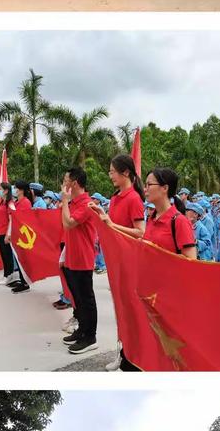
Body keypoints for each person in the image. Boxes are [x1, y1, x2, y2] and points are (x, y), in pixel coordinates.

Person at [89, 154, 146, 371]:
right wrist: (103, 214)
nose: (110, 174)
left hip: (130, 263)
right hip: (117, 263)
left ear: (126, 173)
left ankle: (134, 358)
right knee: (121, 311)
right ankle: (123, 354)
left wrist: (111, 224)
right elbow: (111, 227)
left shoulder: (133, 199)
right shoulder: (115, 198)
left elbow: (140, 233)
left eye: (113, 171)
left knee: (132, 312)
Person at [60, 167, 99, 354]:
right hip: (71, 257)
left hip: (82, 258)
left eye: (65, 180)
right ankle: (82, 330)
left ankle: (90, 336)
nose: (63, 184)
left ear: (74, 183)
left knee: (86, 299)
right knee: (77, 298)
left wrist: (65, 202)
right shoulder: (74, 202)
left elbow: (68, 223)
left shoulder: (86, 204)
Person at [143, 168, 197, 259]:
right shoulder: (151, 218)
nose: (145, 189)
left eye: (149, 185)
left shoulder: (180, 221)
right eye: (145, 185)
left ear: (165, 188)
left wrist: (155, 250)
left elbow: (191, 260)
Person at [7, 181, 33, 294]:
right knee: (19, 258)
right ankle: (22, 280)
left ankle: (25, 283)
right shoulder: (18, 202)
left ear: (21, 190)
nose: (14, 189)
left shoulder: (26, 202)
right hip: (16, 233)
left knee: (23, 259)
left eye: (15, 188)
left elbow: (24, 220)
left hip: (23, 235)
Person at [0, 182, 19, 286]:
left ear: (6, 190)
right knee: (4, 255)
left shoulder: (10, 203)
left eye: (0, 189)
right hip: (0, 232)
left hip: (6, 233)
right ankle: (8, 275)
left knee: (7, 255)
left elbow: (12, 219)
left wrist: (8, 234)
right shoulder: (2, 202)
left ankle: (8, 275)